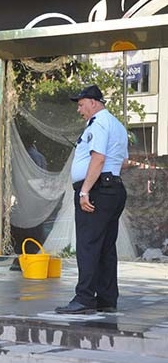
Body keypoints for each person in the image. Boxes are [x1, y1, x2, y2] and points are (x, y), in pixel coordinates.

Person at [55, 84, 128, 314]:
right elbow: (122, 161)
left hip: (97, 190)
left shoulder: (98, 123)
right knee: (106, 246)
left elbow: (98, 158)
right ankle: (106, 297)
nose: (79, 110)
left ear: (94, 102)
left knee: (88, 244)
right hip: (112, 188)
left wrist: (85, 190)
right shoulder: (116, 124)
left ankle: (84, 298)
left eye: (81, 104)